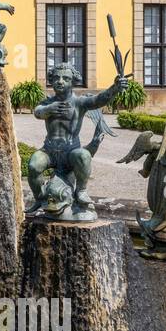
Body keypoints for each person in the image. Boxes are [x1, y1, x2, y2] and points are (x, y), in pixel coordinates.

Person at [27, 61, 128, 217]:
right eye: (56, 78)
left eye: (66, 78)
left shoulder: (79, 102)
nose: (60, 81)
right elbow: (37, 112)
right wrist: (49, 109)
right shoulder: (48, 102)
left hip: (70, 151)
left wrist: (115, 88)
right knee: (34, 165)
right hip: (49, 150)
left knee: (83, 155)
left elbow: (98, 100)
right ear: (51, 80)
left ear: (73, 82)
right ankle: (40, 198)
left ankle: (81, 191)